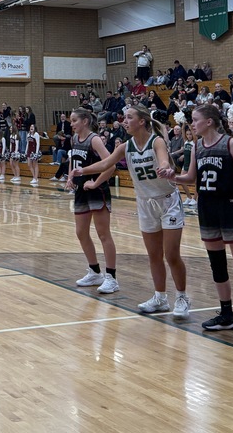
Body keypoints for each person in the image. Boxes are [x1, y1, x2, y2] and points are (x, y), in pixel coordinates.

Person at [73, 105, 190, 318]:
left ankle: (181, 296)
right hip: (145, 204)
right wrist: (82, 170)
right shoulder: (125, 146)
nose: (124, 121)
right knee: (154, 255)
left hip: (167, 202)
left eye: (129, 117)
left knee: (172, 255)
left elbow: (163, 158)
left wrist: (165, 167)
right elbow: (106, 163)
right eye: (124, 117)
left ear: (142, 121)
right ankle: (160, 298)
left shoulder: (157, 141)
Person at [168, 104, 233, 342]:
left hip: (231, 206)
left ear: (209, 122)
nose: (192, 124)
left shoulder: (229, 144)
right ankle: (226, 315)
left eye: (195, 120)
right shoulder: (196, 146)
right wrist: (173, 177)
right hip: (207, 209)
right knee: (217, 266)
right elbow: (191, 178)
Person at [64, 107, 119, 295]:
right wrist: (70, 177)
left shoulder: (94, 139)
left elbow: (110, 165)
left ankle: (111, 277)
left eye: (74, 121)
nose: (71, 124)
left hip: (97, 190)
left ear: (85, 121)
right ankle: (95, 272)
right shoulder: (73, 139)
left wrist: (96, 183)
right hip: (80, 190)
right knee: (81, 232)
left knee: (104, 234)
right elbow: (74, 160)